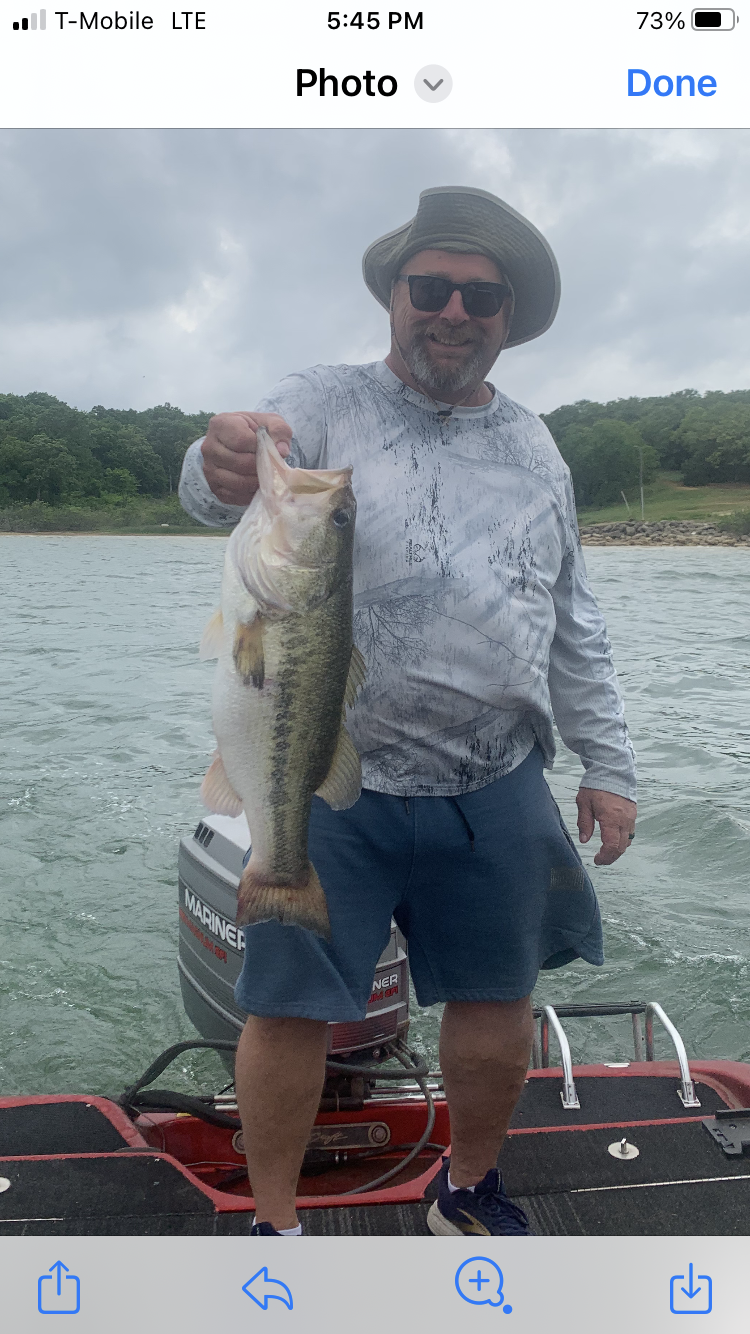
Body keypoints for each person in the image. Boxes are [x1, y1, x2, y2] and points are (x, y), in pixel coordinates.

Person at [179, 185, 637, 1237]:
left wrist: (609, 766)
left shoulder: (539, 450)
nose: (453, 311)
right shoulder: (323, 400)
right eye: (430, 287)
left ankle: (465, 1189)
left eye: (482, 296)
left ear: (508, 316)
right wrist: (218, 459)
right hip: (330, 772)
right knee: (287, 1006)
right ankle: (276, 1225)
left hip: (497, 773)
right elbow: (221, 482)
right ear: (394, 295)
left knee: (498, 998)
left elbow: (574, 618)